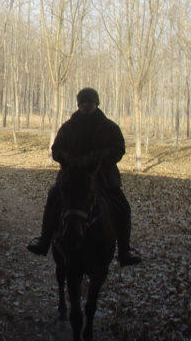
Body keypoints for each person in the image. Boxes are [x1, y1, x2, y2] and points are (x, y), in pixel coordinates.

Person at [27, 87, 142, 267]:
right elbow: (56, 149)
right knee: (53, 196)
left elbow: (119, 149)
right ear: (78, 104)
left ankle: (125, 250)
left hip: (103, 177)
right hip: (72, 176)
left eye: (89, 102)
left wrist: (99, 157)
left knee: (123, 206)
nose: (86, 106)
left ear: (96, 103)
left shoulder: (110, 127)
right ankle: (44, 240)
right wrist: (69, 159)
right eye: (82, 103)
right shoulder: (68, 126)